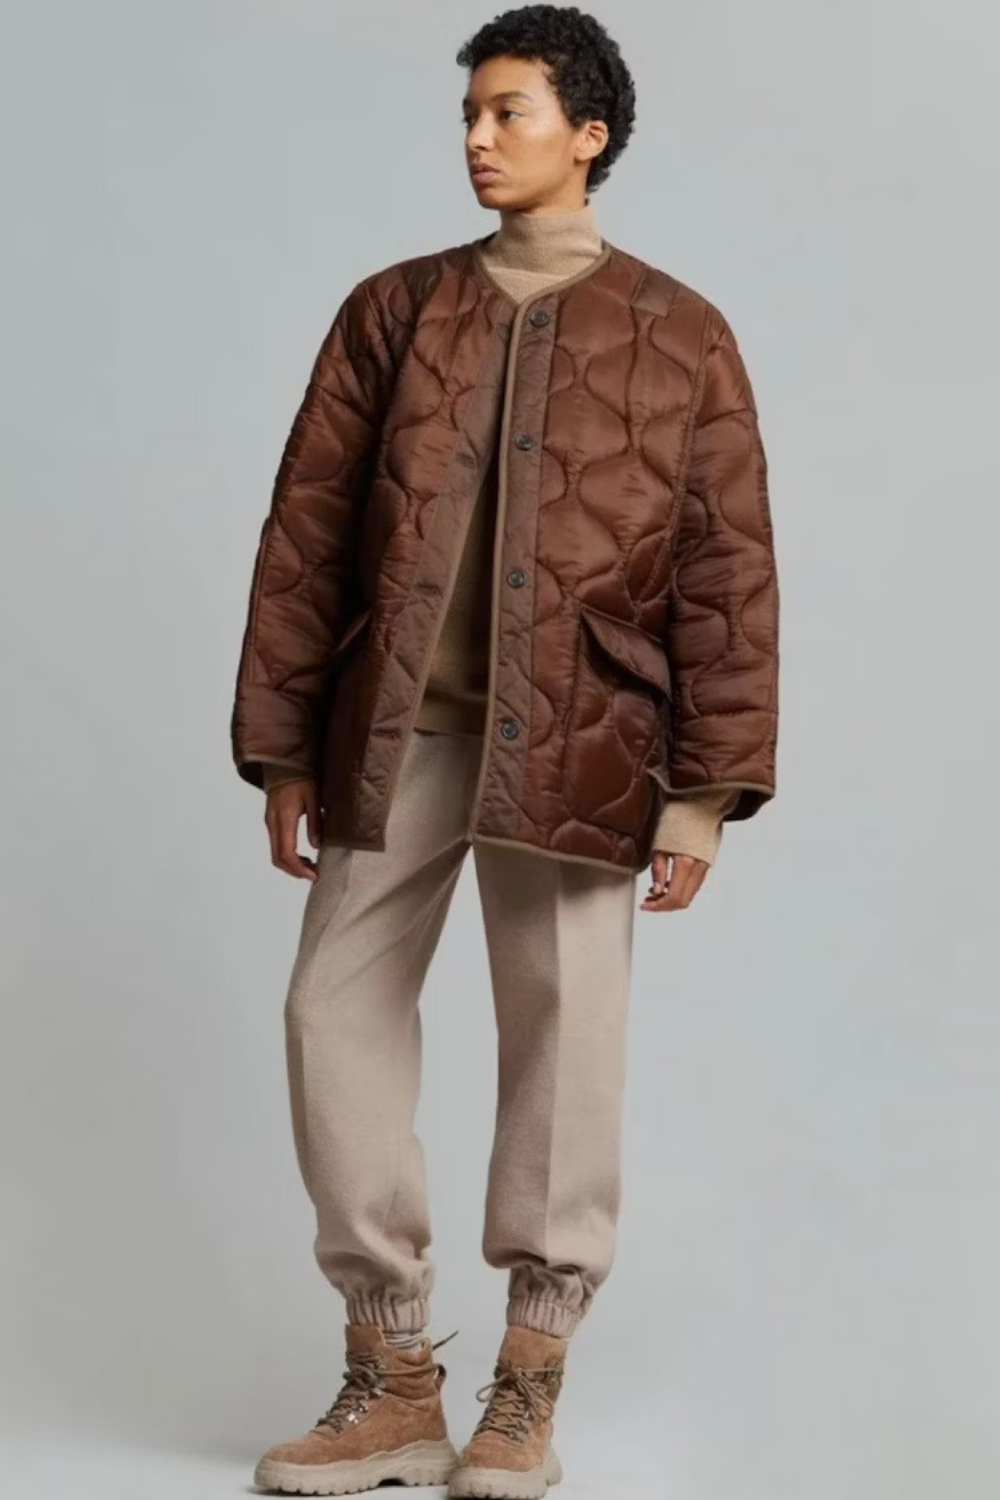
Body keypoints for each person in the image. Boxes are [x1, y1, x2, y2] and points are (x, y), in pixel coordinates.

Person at [229, 5, 780, 1496]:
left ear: (589, 134)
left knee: (565, 1043)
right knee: (328, 1014)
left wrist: (702, 796)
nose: (478, 138)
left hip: (589, 739)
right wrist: (284, 746)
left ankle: (527, 1387)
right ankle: (394, 1374)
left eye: (510, 112)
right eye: (469, 114)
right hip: (394, 729)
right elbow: (308, 534)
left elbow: (726, 570)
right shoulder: (393, 310)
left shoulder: (680, 332)